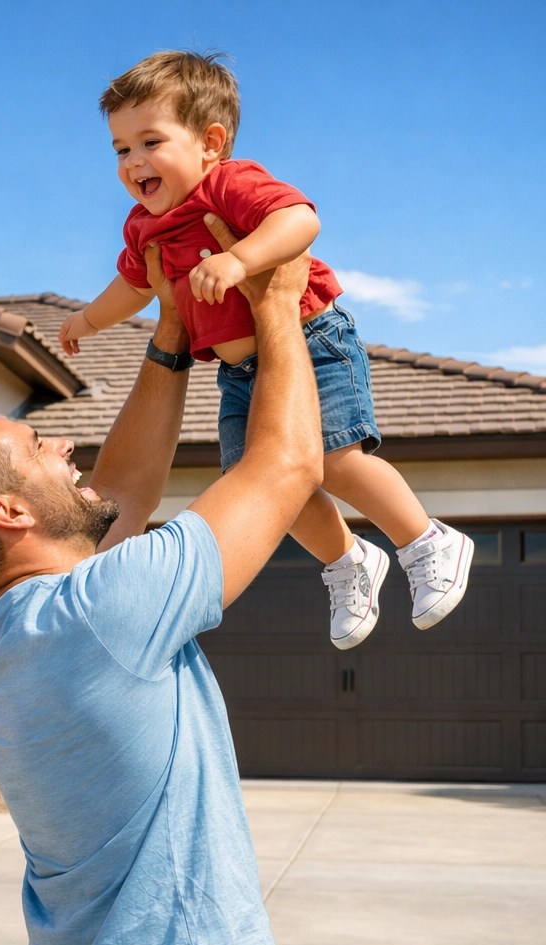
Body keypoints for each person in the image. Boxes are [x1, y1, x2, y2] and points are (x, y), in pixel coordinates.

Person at [0, 224, 321, 945]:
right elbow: (287, 465)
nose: (62, 443)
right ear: (10, 510)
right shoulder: (101, 611)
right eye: (35, 446)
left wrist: (168, 333)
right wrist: (280, 304)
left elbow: (119, 491)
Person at [57, 50, 472, 650]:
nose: (134, 162)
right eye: (121, 149)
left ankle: (425, 539)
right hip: (239, 373)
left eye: (150, 141)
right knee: (257, 478)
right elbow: (133, 284)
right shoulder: (142, 225)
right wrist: (87, 321)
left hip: (311, 341)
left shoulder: (230, 183)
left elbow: (299, 220)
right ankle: (349, 560)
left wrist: (240, 257)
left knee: (331, 458)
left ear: (210, 141)